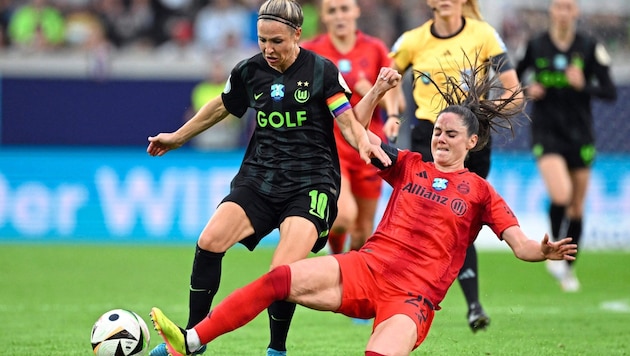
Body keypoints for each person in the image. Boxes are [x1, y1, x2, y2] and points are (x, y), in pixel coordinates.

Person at [148, 60, 577, 356]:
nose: (440, 138)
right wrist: (375, 91)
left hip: (413, 298)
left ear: (472, 142)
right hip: (365, 269)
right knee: (278, 278)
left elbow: (520, 245)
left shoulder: (481, 192)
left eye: (450, 134)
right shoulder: (409, 165)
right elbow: (359, 132)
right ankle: (193, 341)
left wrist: (545, 251)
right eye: (437, 131)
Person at [145, 1, 400, 355]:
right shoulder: (249, 70)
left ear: (297, 35)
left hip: (311, 182)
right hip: (260, 176)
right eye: (263, 40)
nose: (268, 49)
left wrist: (362, 144)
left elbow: (346, 120)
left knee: (283, 270)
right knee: (210, 241)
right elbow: (221, 105)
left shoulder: (321, 71)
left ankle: (276, 349)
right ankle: (191, 341)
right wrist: (177, 137)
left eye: (277, 41)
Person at [383, 0, 523, 332]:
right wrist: (391, 113)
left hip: (472, 143)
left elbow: (514, 92)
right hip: (428, 138)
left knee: (458, 221)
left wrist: (479, 112)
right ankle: (464, 302)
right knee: (432, 220)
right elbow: (387, 79)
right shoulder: (412, 40)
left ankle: (441, 298)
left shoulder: (484, 35)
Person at [515, 0, 617, 292]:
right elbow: (514, 80)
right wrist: (527, 90)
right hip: (547, 133)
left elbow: (609, 91)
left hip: (580, 134)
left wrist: (583, 84)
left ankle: (568, 267)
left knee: (577, 208)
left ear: (576, 12)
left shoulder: (589, 47)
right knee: (561, 194)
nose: (563, 12)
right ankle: (554, 250)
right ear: (551, 11)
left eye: (568, 7)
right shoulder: (535, 45)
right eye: (558, 6)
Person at [300, 0, 402, 258]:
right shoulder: (311, 51)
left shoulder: (375, 48)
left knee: (362, 233)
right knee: (343, 217)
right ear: (324, 15)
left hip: (367, 145)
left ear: (356, 11)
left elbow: (397, 99)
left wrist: (377, 98)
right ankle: (334, 256)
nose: (339, 15)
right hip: (329, 146)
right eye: (332, 10)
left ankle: (345, 275)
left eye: (344, 8)